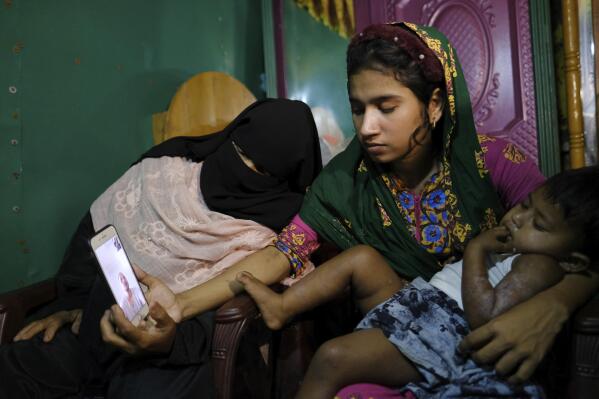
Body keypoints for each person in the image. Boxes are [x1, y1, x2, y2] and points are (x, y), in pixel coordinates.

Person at [99, 21, 598, 398]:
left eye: (386, 106)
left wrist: (553, 303)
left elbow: (579, 232)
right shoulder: (345, 180)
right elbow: (283, 253)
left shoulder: (490, 162)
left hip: (501, 345)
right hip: (400, 336)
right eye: (358, 108)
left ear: (435, 106)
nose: (366, 127)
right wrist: (179, 304)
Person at [0, 98, 322, 398]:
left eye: (263, 171)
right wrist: (74, 306)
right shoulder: (163, 174)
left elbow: (238, 320)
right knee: (16, 365)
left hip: (180, 356)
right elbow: (90, 245)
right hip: (96, 324)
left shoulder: (277, 239)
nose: (245, 171)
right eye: (240, 153)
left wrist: (169, 340)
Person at [236, 165, 599, 398]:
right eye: (525, 206)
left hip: (447, 336)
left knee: (332, 357)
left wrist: (474, 253)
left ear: (573, 259)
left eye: (540, 224)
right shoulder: (518, 245)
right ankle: (282, 307)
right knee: (363, 259)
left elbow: (484, 318)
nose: (519, 218)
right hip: (422, 304)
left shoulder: (541, 265)